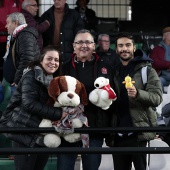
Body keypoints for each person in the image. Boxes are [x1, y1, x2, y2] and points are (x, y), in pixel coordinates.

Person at [0, 45, 67, 170]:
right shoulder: (31, 75)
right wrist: (58, 113)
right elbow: (29, 104)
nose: (53, 62)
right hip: (24, 132)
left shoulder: (54, 81)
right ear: (41, 60)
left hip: (41, 134)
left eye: (56, 60)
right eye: (49, 59)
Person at [59, 29, 114, 170]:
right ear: (74, 46)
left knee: (91, 167)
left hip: (94, 127)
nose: (84, 45)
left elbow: (112, 97)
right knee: (64, 167)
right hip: (68, 127)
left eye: (88, 42)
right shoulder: (63, 67)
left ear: (94, 46)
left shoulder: (106, 67)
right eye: (80, 42)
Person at [107, 32, 162, 170]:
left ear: (134, 47)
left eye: (127, 45)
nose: (124, 49)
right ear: (116, 49)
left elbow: (157, 98)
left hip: (138, 133)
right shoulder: (114, 71)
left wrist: (138, 94)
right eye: (120, 46)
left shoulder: (147, 70)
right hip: (118, 133)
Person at [39, 0, 84, 65]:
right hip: (50, 53)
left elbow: (80, 34)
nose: (56, 2)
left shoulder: (74, 15)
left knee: (67, 74)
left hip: (68, 53)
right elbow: (41, 35)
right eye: (54, 0)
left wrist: (77, 49)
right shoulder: (46, 15)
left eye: (59, 0)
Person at [3, 12, 40, 86]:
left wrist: (18, 79)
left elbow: (27, 59)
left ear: (15, 23)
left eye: (8, 22)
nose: (6, 26)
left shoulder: (25, 35)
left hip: (21, 83)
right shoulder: (20, 35)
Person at [150, 27, 170, 91]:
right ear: (165, 35)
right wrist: (168, 65)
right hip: (163, 77)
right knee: (157, 82)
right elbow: (154, 62)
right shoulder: (157, 49)